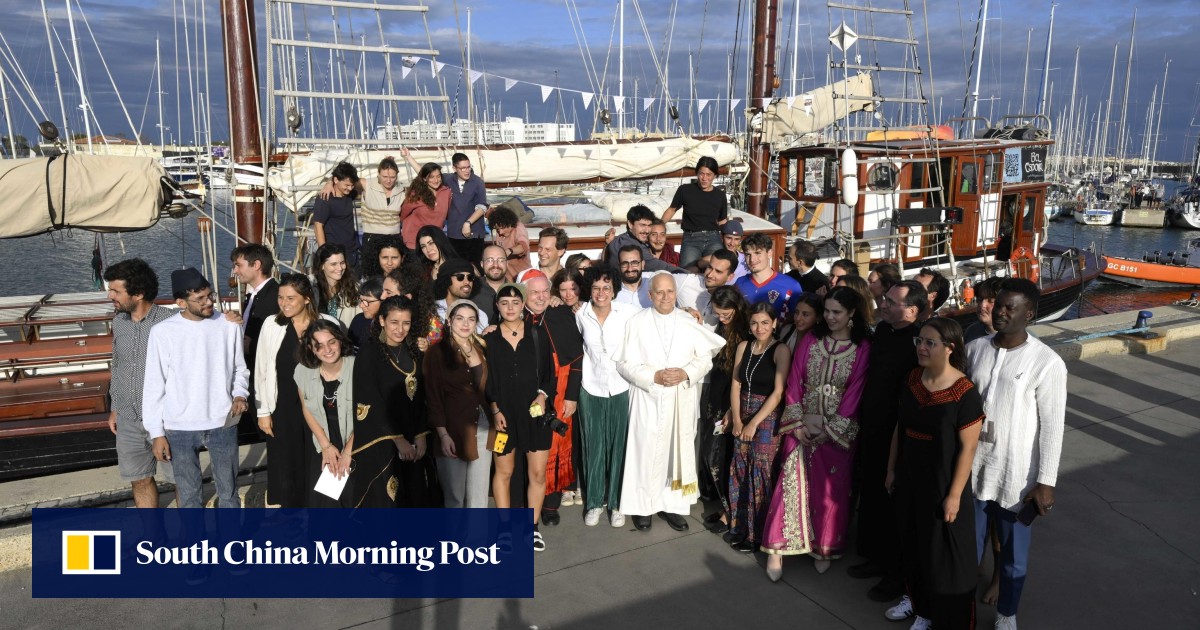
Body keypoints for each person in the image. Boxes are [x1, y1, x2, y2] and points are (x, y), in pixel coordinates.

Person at [966, 279, 1066, 630]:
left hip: (1016, 477)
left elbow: (1052, 426)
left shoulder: (1047, 362)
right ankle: (958, 609)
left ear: (1030, 314)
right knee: (966, 548)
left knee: (1013, 556)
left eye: (1011, 308)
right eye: (999, 305)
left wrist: (1046, 482)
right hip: (973, 468)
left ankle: (1007, 614)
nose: (1000, 312)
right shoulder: (975, 348)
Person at [761, 286, 871, 578]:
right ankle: (777, 549)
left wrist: (831, 430)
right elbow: (794, 379)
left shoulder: (862, 347)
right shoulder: (811, 339)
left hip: (836, 432)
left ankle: (824, 546)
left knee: (830, 492)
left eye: (837, 312)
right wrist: (797, 424)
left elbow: (856, 391)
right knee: (789, 486)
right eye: (828, 311)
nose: (831, 317)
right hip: (801, 427)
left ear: (851, 313)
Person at [886, 318, 983, 630]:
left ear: (950, 348)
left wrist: (954, 496)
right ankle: (922, 610)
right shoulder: (913, 379)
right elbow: (900, 427)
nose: (922, 348)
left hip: (942, 484)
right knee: (913, 546)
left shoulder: (965, 393)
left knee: (945, 556)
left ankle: (948, 620)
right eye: (920, 341)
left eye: (930, 343)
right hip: (909, 478)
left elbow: (968, 448)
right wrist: (891, 469)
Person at [615, 272, 725, 532]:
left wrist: (685, 373)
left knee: (676, 452)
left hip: (680, 397)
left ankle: (672, 506)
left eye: (670, 291)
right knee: (644, 452)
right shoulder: (637, 322)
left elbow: (705, 359)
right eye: (659, 292)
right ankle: (643, 507)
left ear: (676, 293)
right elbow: (624, 363)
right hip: (648, 397)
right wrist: (652, 376)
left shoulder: (688, 321)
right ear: (650, 294)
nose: (665, 297)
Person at [143, 268, 249, 509]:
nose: (209, 302)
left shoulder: (229, 325)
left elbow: (239, 370)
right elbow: (154, 384)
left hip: (223, 421)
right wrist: (156, 433)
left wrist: (239, 394)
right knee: (189, 498)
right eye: (200, 299)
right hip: (178, 427)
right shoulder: (162, 332)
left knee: (229, 494)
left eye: (210, 295)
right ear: (181, 302)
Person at [851, 279, 929, 605]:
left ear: (912, 311)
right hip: (871, 427)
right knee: (871, 493)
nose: (882, 304)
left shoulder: (920, 342)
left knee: (894, 504)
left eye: (891, 302)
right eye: (884, 299)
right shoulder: (883, 331)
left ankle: (895, 574)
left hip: (899, 434)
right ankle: (874, 556)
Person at [485, 283, 556, 551]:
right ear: (497, 306)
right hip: (501, 418)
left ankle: (532, 528)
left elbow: (549, 375)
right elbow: (485, 381)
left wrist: (542, 396)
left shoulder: (537, 334)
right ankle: (504, 529)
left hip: (535, 415)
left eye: (516, 302)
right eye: (504, 303)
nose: (510, 307)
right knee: (504, 471)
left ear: (523, 305)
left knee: (537, 473)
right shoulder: (489, 339)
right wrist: (495, 410)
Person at [254, 273, 334, 508]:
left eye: (290, 298)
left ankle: (325, 510)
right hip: (283, 407)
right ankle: (291, 515)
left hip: (321, 406)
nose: (284, 303)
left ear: (307, 298)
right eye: (280, 298)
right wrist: (263, 411)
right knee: (286, 463)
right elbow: (262, 369)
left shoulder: (328, 323)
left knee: (320, 457)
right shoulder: (271, 324)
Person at [353, 296, 440, 508]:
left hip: (415, 437)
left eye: (406, 323)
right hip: (384, 441)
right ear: (382, 320)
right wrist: (398, 440)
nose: (400, 329)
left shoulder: (414, 351)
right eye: (394, 322)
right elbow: (370, 400)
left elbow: (423, 397)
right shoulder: (369, 353)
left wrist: (421, 435)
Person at [105, 258, 175, 508]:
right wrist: (115, 406)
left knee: (181, 480)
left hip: (167, 419)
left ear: (138, 293)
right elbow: (118, 365)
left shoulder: (171, 322)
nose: (110, 296)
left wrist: (230, 318)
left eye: (116, 291)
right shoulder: (119, 322)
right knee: (139, 480)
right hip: (128, 418)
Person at [726, 303, 792, 553]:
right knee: (741, 468)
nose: (759, 327)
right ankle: (740, 526)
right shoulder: (744, 346)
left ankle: (759, 535)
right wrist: (737, 419)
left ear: (774, 323)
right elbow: (736, 384)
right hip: (742, 411)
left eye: (765, 322)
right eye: (754, 323)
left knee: (761, 473)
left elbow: (778, 392)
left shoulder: (781, 350)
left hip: (767, 416)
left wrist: (754, 423)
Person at [575, 268, 638, 527]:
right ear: (589, 290)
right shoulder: (580, 313)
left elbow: (656, 318)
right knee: (593, 446)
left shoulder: (629, 313)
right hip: (590, 387)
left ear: (614, 291)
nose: (601, 293)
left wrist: (688, 311)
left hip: (621, 387)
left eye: (606, 288)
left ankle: (617, 504)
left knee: (619, 447)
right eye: (596, 288)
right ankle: (594, 503)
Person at [523, 274, 584, 526]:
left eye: (544, 292)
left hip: (559, 393)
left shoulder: (561, 314)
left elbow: (576, 359)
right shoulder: (514, 315)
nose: (540, 297)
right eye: (534, 292)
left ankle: (550, 504)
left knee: (557, 446)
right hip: (525, 393)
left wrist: (571, 396)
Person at [425, 301, 491, 508]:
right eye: (460, 318)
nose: (465, 324)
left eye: (471, 319)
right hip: (452, 429)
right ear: (449, 321)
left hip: (482, 426)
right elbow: (433, 397)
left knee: (479, 496)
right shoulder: (436, 352)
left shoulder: (480, 349)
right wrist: (443, 435)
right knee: (455, 497)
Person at [698, 287, 750, 534]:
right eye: (718, 313)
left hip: (733, 402)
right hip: (716, 399)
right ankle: (725, 508)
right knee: (713, 455)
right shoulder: (721, 326)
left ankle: (730, 514)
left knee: (723, 456)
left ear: (736, 306)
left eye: (725, 313)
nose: (721, 317)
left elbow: (742, 376)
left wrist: (733, 409)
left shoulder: (746, 330)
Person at [294, 320, 356, 507]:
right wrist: (325, 446)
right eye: (319, 345)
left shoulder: (358, 367)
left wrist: (348, 452)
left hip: (355, 438)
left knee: (353, 498)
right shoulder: (302, 371)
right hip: (322, 438)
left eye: (332, 342)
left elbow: (368, 416)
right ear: (311, 349)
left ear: (340, 341)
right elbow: (306, 408)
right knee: (326, 503)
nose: (327, 350)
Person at [662, 156, 729, 268]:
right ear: (697, 173)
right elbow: (672, 209)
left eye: (709, 174)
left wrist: (728, 240)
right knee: (687, 273)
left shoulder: (720, 195)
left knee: (718, 269)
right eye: (701, 174)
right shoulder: (684, 190)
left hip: (714, 238)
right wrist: (658, 226)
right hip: (691, 239)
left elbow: (722, 221)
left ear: (715, 175)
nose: (704, 178)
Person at [734, 233, 803, 324]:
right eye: (748, 254)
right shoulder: (739, 283)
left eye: (758, 253)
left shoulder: (791, 285)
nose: (752, 259)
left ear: (769, 253)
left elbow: (798, 321)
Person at [602, 205, 679, 273]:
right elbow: (661, 267)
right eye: (643, 225)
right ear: (630, 224)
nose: (647, 230)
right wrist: (685, 273)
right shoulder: (632, 246)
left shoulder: (620, 239)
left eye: (649, 225)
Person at [312, 162, 361, 268]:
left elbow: (361, 182)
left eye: (352, 185)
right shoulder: (325, 199)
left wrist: (329, 181)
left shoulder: (349, 194)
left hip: (352, 251)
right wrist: (324, 253)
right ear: (336, 180)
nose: (350, 188)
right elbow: (318, 226)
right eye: (346, 185)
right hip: (334, 254)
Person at [677, 249, 739, 328]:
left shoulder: (730, 298)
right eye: (709, 267)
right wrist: (684, 310)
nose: (710, 275)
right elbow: (661, 275)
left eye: (718, 271)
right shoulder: (687, 281)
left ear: (730, 277)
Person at [400, 162, 451, 256]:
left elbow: (447, 214)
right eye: (431, 177)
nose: (436, 180)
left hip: (435, 242)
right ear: (424, 178)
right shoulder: (416, 194)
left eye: (438, 176)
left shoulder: (446, 192)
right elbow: (403, 214)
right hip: (414, 243)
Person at [446, 152, 489, 264]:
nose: (467, 171)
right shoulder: (448, 180)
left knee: (474, 267)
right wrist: (409, 157)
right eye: (463, 168)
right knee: (456, 267)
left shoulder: (478, 182)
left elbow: (482, 207)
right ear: (454, 168)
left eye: (468, 167)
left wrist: (468, 223)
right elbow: (427, 175)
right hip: (453, 234)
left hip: (474, 235)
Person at [359, 156, 404, 253]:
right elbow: (343, 178)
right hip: (372, 238)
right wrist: (329, 183)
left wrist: (408, 157)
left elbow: (424, 179)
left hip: (394, 237)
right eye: (385, 177)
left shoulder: (402, 190)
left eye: (392, 177)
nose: (388, 181)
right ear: (378, 174)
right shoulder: (367, 184)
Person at [311, 243, 361, 328]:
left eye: (342, 263)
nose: (340, 268)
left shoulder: (354, 288)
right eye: (334, 264)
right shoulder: (311, 288)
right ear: (322, 266)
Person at [434, 258, 489, 334]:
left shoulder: (480, 315)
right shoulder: (432, 310)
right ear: (446, 280)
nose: (467, 282)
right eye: (460, 277)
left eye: (470, 277)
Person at [488, 206, 532, 281]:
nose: (500, 232)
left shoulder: (519, 228)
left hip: (521, 276)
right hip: (506, 276)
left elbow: (523, 247)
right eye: (497, 229)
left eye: (502, 228)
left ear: (510, 223)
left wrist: (510, 251)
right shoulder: (500, 230)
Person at [964, 277, 1003, 343]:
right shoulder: (971, 332)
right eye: (980, 299)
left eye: (990, 301)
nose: (982, 305)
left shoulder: (1016, 336)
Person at [348, 276, 384, 350]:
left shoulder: (391, 327)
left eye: (367, 301)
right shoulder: (358, 320)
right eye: (361, 300)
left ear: (383, 301)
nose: (361, 306)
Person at [476, 244, 508, 322]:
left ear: (507, 264)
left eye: (501, 260)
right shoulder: (471, 290)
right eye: (490, 260)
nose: (495, 265)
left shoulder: (517, 290)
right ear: (482, 264)